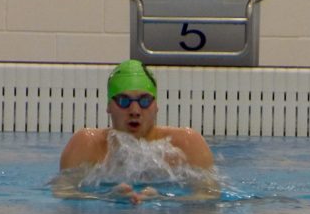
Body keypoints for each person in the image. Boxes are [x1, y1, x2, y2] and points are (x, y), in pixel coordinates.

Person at [50, 59, 220, 204]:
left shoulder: (187, 144)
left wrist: (164, 199)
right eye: (124, 101)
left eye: (144, 100)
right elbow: (62, 193)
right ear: (109, 106)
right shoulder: (86, 144)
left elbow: (209, 196)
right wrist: (104, 198)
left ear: (156, 106)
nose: (135, 110)